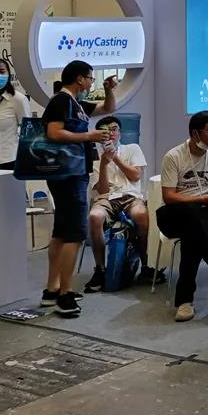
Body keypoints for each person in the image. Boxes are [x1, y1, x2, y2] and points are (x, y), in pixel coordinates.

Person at [40, 61, 117, 317]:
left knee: (61, 232)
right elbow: (54, 133)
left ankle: (52, 289)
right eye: (90, 79)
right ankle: (65, 294)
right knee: (74, 234)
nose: (91, 83)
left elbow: (108, 108)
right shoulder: (61, 101)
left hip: (72, 173)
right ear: (79, 79)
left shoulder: (76, 103)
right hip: (68, 175)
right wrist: (89, 136)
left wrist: (109, 89)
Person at [157, 111, 208, 322]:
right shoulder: (174, 156)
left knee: (192, 236)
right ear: (195, 133)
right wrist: (199, 198)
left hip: (202, 216)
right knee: (193, 214)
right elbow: (168, 196)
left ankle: (185, 301)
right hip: (174, 214)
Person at [85, 116, 159, 293]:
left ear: (120, 132)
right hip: (107, 198)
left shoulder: (132, 148)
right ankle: (100, 269)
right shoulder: (96, 157)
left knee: (141, 215)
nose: (111, 133)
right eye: (106, 131)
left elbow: (136, 175)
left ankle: (146, 264)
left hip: (131, 196)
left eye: (114, 129)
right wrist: (104, 164)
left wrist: (115, 158)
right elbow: (102, 190)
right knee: (94, 216)